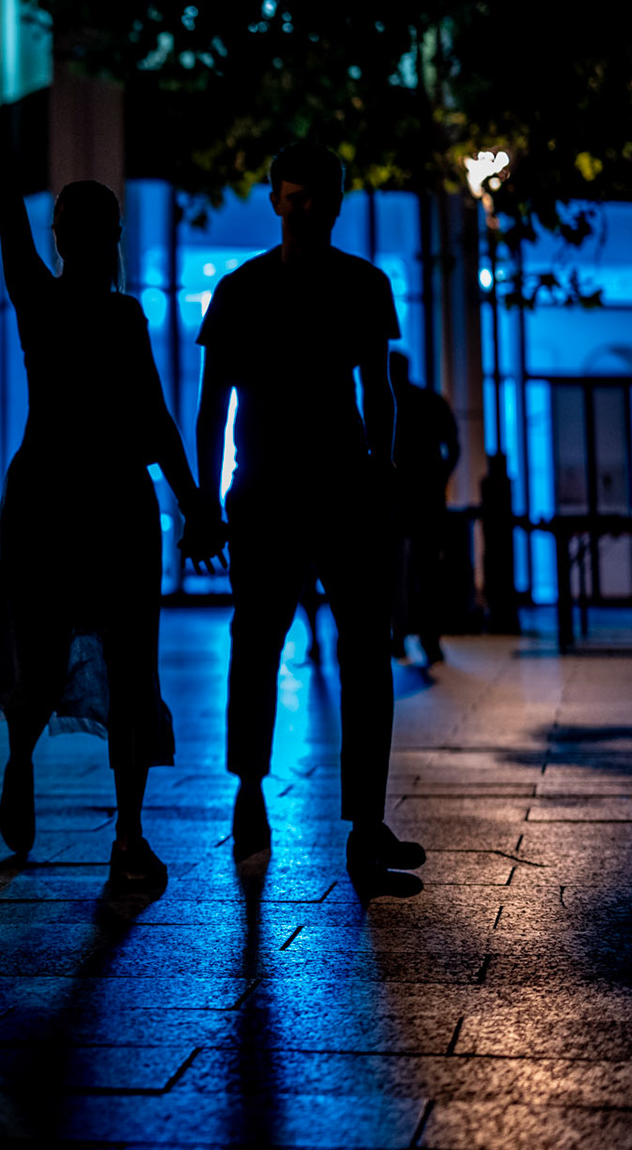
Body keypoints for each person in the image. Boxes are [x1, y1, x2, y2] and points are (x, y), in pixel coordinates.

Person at [0, 26, 226, 883]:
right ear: (107, 237)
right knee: (118, 662)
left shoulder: (51, 301)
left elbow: (157, 415)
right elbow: (158, 419)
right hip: (102, 500)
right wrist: (193, 498)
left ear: (69, 237)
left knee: (65, 651)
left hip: (61, 496)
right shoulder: (97, 311)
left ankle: (61, 786)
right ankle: (119, 826)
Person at [193, 141, 425, 888]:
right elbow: (214, 404)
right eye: (298, 197)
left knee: (281, 645)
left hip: (296, 484)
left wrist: (207, 497)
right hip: (305, 484)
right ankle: (313, 809)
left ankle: (282, 803)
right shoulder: (351, 284)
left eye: (314, 197)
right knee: (310, 647)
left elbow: (215, 407)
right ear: (280, 200)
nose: (307, 209)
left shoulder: (250, 287)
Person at [387, 352, 460, 665]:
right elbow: (453, 448)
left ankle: (400, 637)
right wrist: (438, 479)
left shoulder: (385, 405)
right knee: (427, 572)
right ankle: (429, 640)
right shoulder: (431, 402)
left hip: (395, 500)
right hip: (426, 500)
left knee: (394, 572)